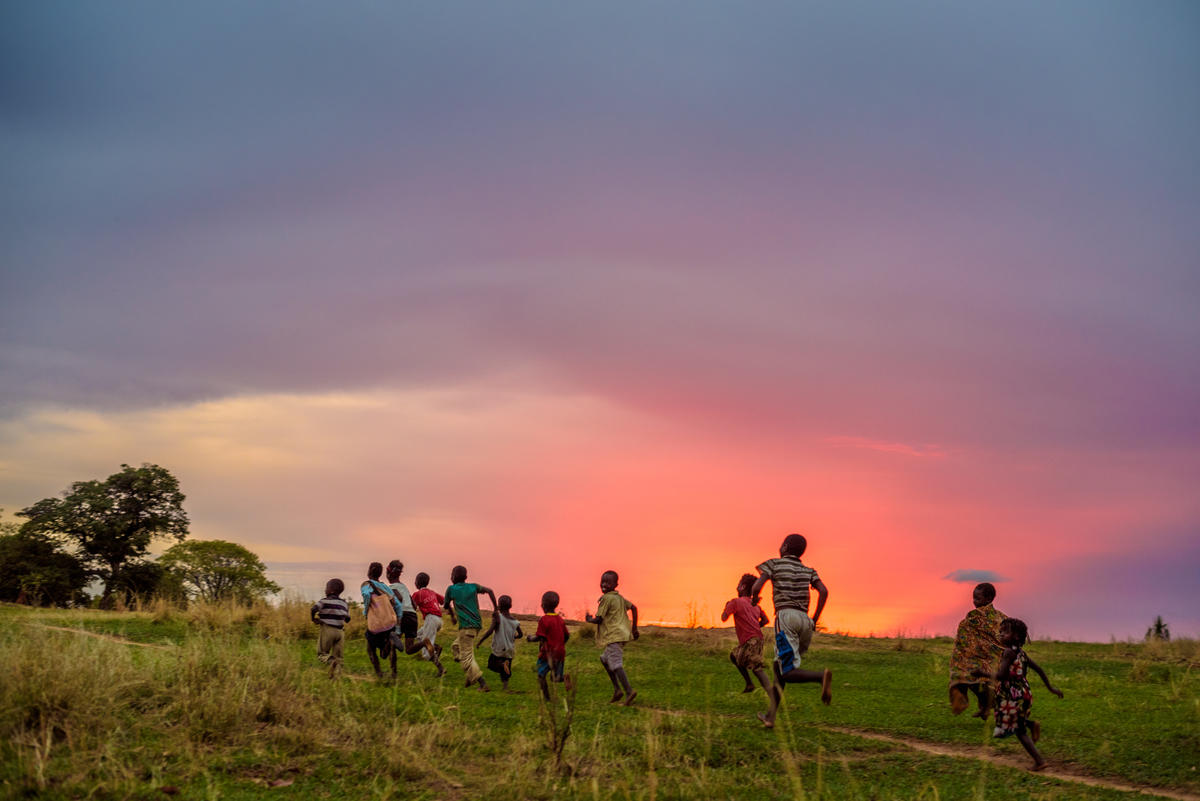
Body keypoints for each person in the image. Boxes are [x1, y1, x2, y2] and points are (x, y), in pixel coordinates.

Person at [750, 533, 832, 727]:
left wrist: (754, 600)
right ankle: (770, 717)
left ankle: (821, 677)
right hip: (805, 621)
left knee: (786, 671)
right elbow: (824, 591)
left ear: (785, 547)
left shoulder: (774, 564)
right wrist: (814, 619)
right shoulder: (808, 570)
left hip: (786, 618)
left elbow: (756, 586)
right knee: (780, 669)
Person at [974, 617, 1063, 771]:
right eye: (1000, 632)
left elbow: (1001, 675)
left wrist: (981, 672)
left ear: (1016, 636)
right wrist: (1050, 688)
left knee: (1019, 731)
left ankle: (1039, 761)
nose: (1000, 635)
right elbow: (1039, 669)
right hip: (1023, 693)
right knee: (1010, 717)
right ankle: (1031, 724)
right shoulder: (1022, 653)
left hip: (1011, 694)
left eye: (1005, 632)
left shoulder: (1008, 653)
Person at [722, 573, 780, 719]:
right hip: (757, 640)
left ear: (742, 587)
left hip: (750, 641)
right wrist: (755, 627)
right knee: (734, 656)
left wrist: (726, 606)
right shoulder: (755, 605)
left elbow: (723, 618)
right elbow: (766, 620)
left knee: (757, 669)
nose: (737, 586)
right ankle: (749, 684)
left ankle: (773, 696)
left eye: (738, 583)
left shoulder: (735, 602)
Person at [948, 582, 1007, 718]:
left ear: (988, 599)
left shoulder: (997, 619)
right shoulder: (999, 617)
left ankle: (981, 705)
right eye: (973, 598)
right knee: (972, 676)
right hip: (979, 659)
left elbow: (1005, 638)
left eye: (977, 598)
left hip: (991, 661)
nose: (974, 601)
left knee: (972, 675)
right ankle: (974, 701)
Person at [584, 570, 639, 706]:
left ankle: (629, 691)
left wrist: (589, 619)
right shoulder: (619, 598)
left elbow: (599, 619)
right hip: (621, 635)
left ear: (615, 584)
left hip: (614, 636)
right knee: (604, 659)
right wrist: (634, 628)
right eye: (603, 581)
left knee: (616, 664)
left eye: (608, 582)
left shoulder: (607, 599)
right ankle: (617, 690)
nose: (604, 584)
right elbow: (634, 608)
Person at [444, 565, 497, 692]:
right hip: (476, 625)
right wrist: (496, 608)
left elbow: (446, 605)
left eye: (452, 574)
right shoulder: (473, 586)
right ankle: (470, 675)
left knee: (466, 658)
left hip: (466, 627)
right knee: (456, 647)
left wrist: (452, 616)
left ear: (454, 577)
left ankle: (482, 684)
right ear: (466, 577)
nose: (450, 576)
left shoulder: (451, 589)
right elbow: (490, 591)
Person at [361, 562, 404, 679]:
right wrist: (398, 627)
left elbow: (366, 596)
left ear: (369, 571)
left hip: (376, 624)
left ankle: (379, 674)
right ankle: (394, 673)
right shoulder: (385, 587)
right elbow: (398, 606)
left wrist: (366, 611)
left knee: (370, 649)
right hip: (390, 623)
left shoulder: (366, 584)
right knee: (390, 648)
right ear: (380, 573)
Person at [527, 590, 570, 700]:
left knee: (541, 675)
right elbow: (567, 635)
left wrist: (531, 638)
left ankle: (547, 699)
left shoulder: (544, 620)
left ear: (543, 605)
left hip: (548, 654)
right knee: (555, 677)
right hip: (560, 653)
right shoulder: (560, 619)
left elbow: (540, 637)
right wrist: (561, 645)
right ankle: (564, 678)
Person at [477, 594, 523, 690]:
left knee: (492, 664)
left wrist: (481, 641)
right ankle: (505, 687)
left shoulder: (498, 617)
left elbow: (490, 631)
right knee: (506, 671)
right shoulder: (515, 621)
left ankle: (502, 665)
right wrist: (515, 637)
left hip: (499, 648)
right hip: (509, 649)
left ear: (499, 605)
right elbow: (521, 634)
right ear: (510, 606)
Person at [310, 578, 351, 678]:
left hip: (328, 630)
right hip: (340, 632)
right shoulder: (344, 604)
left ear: (331, 590)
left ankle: (331, 661)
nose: (325, 590)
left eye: (326, 588)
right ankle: (335, 677)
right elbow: (347, 619)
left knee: (322, 654)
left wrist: (314, 619)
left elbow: (313, 609)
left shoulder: (324, 601)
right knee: (339, 658)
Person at [410, 571, 446, 676]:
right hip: (439, 620)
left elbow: (412, 607)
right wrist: (452, 615)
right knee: (418, 635)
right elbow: (444, 601)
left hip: (431, 619)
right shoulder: (432, 592)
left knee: (426, 652)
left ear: (416, 582)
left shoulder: (417, 594)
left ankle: (441, 669)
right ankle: (436, 647)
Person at [386, 560, 421, 661]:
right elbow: (414, 605)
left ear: (389, 573)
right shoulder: (404, 587)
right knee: (409, 649)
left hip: (402, 616)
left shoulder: (391, 588)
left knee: (392, 643)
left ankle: (393, 672)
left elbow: (399, 599)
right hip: (412, 617)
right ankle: (424, 643)